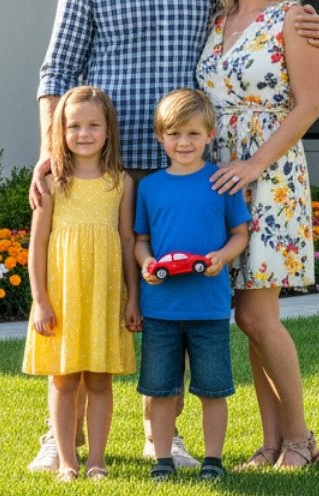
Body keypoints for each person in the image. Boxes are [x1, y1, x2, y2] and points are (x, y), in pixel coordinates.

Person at [32, 0, 319, 471]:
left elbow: (281, 43)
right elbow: (57, 68)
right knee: (95, 298)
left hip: (196, 172)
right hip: (108, 167)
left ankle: (163, 436)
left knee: (188, 304)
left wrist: (313, 24)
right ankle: (61, 439)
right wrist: (49, 150)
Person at [197, 0, 319, 470]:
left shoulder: (292, 18)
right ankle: (271, 444)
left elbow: (309, 107)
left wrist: (254, 165)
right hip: (220, 175)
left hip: (269, 176)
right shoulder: (216, 21)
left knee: (258, 315)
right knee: (245, 315)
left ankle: (300, 440)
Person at [22, 86, 141, 481]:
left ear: (109, 130)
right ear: (61, 130)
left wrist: (132, 298)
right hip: (62, 295)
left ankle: (97, 462)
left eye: (93, 125)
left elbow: (127, 241)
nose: (84, 133)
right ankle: (67, 461)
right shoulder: (53, 182)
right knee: (64, 378)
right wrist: (40, 301)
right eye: (74, 126)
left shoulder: (121, 183)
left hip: (105, 296)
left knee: (100, 379)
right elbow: (37, 245)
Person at [133, 89, 251, 483]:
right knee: (161, 389)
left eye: (193, 134)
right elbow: (140, 240)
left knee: (212, 389)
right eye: (175, 134)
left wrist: (222, 256)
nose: (184, 143)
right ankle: (162, 458)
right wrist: (148, 264)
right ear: (159, 137)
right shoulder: (149, 187)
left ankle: (212, 460)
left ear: (210, 135)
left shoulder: (221, 181)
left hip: (208, 308)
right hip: (161, 308)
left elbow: (240, 233)